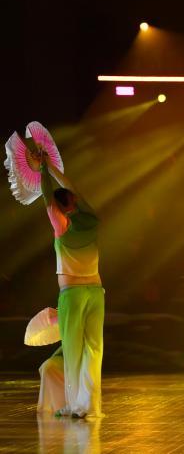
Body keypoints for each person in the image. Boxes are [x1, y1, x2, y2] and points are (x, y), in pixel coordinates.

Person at [40, 159, 104, 418]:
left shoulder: (61, 224)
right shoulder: (91, 220)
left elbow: (47, 198)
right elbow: (72, 190)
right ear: (75, 201)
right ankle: (89, 405)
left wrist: (42, 170)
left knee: (73, 350)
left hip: (73, 295)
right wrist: (52, 168)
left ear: (59, 207)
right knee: (94, 349)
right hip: (96, 292)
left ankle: (74, 404)